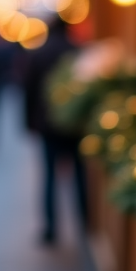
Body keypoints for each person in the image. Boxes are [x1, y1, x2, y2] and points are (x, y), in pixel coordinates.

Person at [23, 16, 88, 245]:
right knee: (79, 174)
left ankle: (51, 227)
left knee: (49, 175)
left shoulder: (39, 53)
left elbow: (29, 90)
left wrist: (28, 121)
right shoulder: (77, 51)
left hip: (47, 124)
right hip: (74, 124)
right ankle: (85, 222)